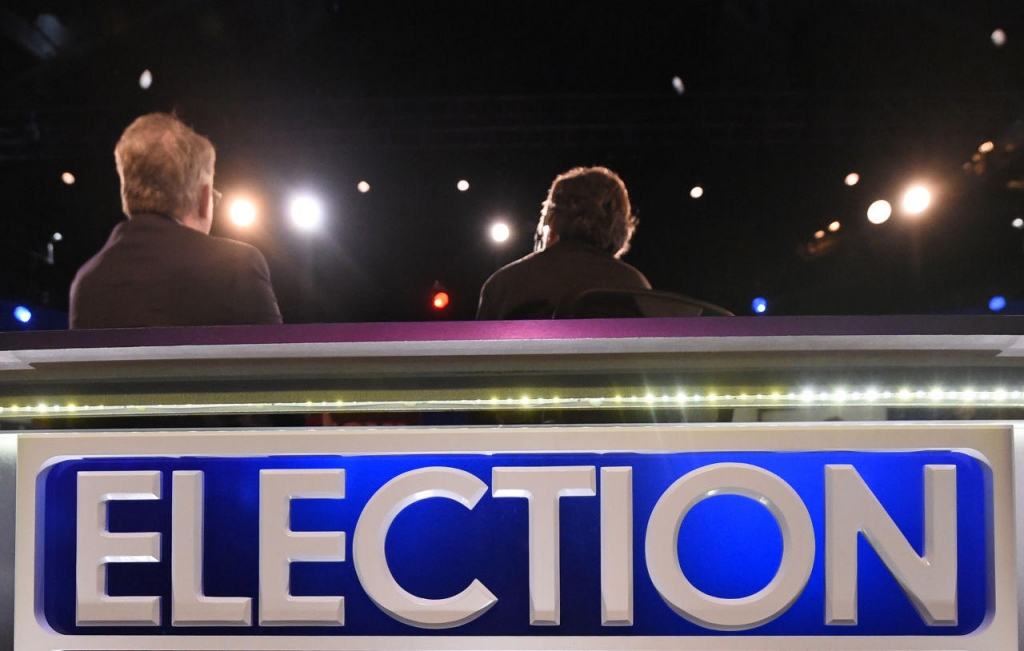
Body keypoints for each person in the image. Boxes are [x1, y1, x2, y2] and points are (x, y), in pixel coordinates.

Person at [70, 113, 282, 328]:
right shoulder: (238, 266)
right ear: (203, 198)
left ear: (128, 193)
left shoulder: (87, 283)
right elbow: (280, 361)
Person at [476, 166, 650, 319]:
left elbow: (481, 355)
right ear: (619, 221)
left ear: (553, 216)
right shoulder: (635, 286)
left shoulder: (504, 284)